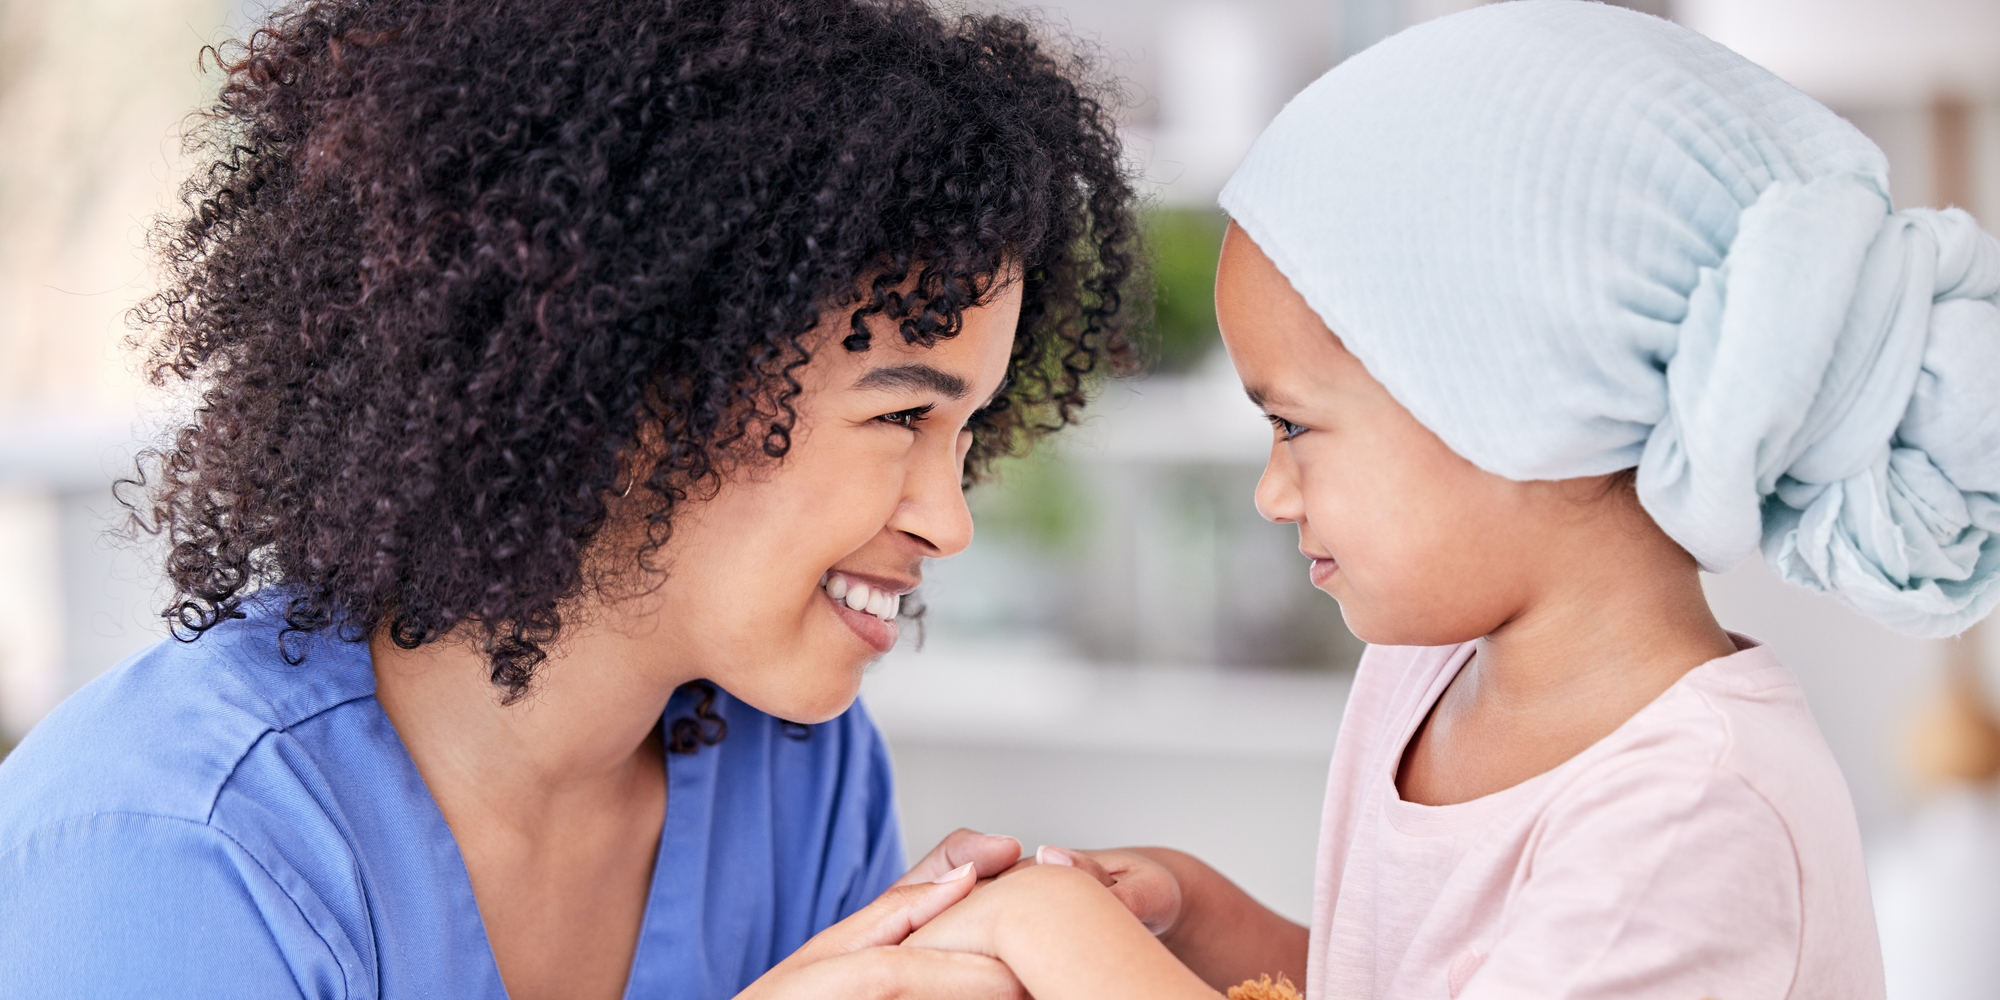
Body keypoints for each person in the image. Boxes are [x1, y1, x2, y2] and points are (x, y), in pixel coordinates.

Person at [0, 1, 1141, 997]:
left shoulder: (799, 775)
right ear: (637, 380)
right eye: (900, 416)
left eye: (967, 430)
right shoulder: (172, 847)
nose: (949, 520)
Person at [902, 3, 2000, 998]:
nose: (1270, 493)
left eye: (1292, 424)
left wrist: (1057, 939)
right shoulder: (1422, 672)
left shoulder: (1688, 818)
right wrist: (1201, 918)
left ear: (1510, 400)